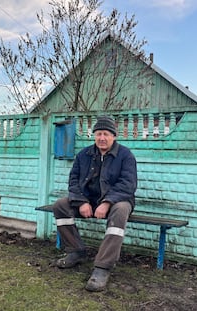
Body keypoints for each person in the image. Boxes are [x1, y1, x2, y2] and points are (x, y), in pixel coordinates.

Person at [52, 116, 137, 292]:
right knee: (60, 205)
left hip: (118, 201)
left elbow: (128, 184)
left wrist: (107, 202)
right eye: (98, 134)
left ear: (114, 136)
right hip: (89, 201)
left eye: (106, 134)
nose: (102, 138)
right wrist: (82, 201)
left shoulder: (126, 155)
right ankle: (76, 251)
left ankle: (102, 267)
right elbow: (73, 180)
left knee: (121, 211)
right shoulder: (84, 154)